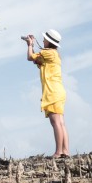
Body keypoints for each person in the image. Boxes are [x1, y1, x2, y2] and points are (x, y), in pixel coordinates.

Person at [23, 29, 69, 158]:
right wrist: (32, 45)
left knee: (55, 123)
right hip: (58, 91)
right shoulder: (54, 55)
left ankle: (58, 151)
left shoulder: (48, 53)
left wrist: (30, 45)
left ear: (49, 41)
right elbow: (36, 60)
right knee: (61, 122)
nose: (43, 41)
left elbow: (30, 57)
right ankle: (65, 150)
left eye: (44, 39)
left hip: (52, 91)